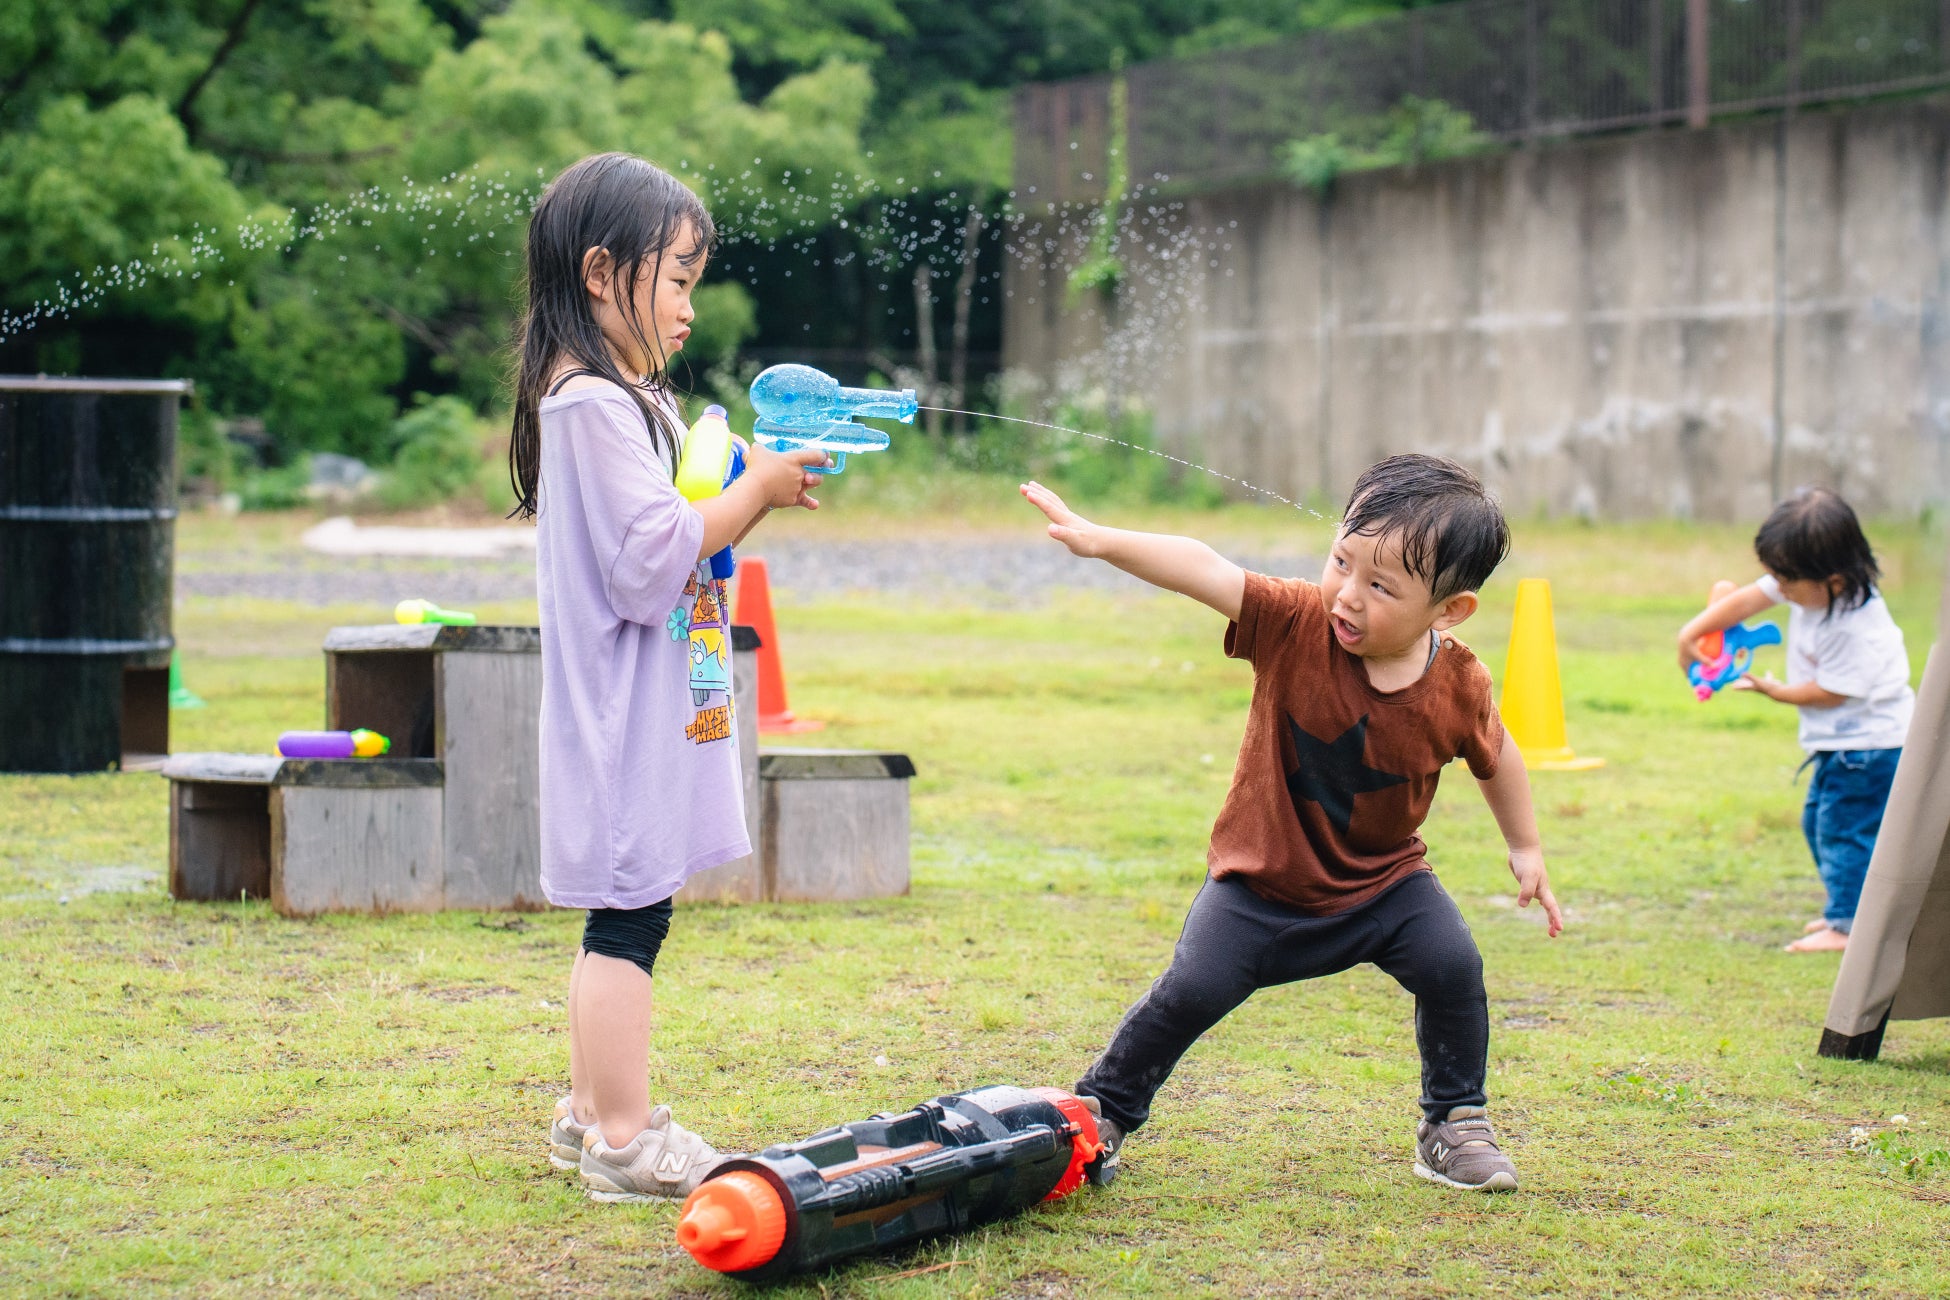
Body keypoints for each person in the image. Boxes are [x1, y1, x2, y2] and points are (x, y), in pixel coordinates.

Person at [1021, 454, 1563, 1194]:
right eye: (1340, 562)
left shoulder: (1459, 680)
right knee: (1191, 991)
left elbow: (1498, 756)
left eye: (1381, 586)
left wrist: (1525, 845)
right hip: (1259, 885)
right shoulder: (1294, 622)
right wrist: (1101, 539)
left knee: (1453, 968)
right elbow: (1204, 567)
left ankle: (1454, 1122)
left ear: (1449, 610)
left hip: (1385, 885)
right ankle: (1102, 1113)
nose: (1347, 595)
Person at [508, 152, 829, 1201]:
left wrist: (742, 486)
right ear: (603, 274)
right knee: (629, 921)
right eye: (679, 280)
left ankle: (585, 1115)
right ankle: (624, 1139)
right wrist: (756, 493)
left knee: (623, 913)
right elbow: (653, 560)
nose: (691, 307)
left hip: (636, 705)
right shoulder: (591, 406)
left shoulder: (614, 399)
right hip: (620, 716)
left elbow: (674, 529)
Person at [1677, 488, 1914, 954]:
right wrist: (1691, 632)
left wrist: (1775, 691)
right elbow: (1746, 600)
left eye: (1785, 582)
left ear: (1834, 580)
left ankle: (1848, 924)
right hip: (1846, 746)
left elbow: (1832, 692)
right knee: (1818, 825)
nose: (1777, 589)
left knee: (1843, 831)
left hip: (1869, 749)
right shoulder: (1811, 581)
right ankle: (1850, 906)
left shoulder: (1856, 627)